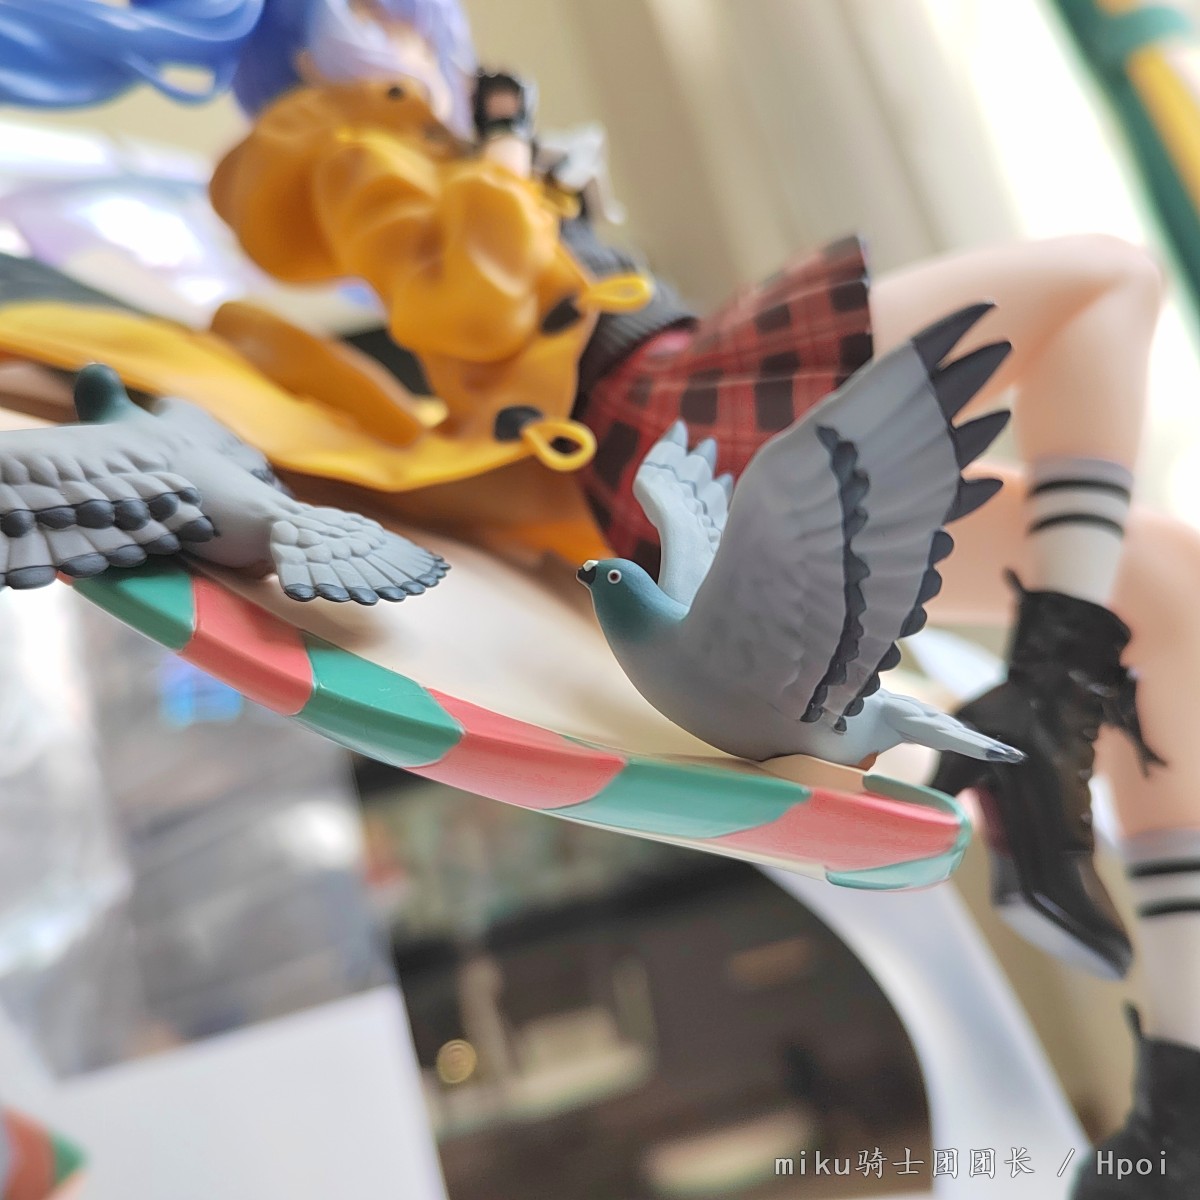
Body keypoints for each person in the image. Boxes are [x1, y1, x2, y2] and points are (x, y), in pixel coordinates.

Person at [2, 2, 1199, 1192]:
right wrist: (502, 166)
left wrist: (512, 159)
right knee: (1101, 279)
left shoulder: (442, 130)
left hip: (689, 409)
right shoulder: (347, 146)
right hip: (660, 409)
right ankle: (1046, 710)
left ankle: (1179, 1096)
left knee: (1161, 577)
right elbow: (464, 300)